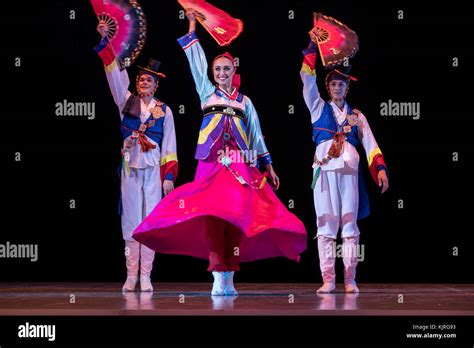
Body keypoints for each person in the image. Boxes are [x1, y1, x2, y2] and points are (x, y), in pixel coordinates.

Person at [133, 10, 307, 296]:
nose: (222, 74)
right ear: (212, 74)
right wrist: (191, 25)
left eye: (226, 69)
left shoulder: (245, 102)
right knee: (213, 217)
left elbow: (256, 134)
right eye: (217, 70)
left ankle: (229, 277)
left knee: (236, 218)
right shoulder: (206, 94)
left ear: (234, 71)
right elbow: (196, 61)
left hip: (239, 164)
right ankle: (217, 276)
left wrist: (269, 166)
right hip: (211, 164)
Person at [300, 30, 389, 293]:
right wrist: (311, 45)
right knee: (325, 222)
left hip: (349, 171)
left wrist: (380, 170)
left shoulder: (357, 117)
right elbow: (307, 78)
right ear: (327, 88)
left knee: (350, 224)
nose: (337, 88)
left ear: (347, 88)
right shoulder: (318, 108)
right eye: (333, 85)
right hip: (325, 171)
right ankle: (328, 279)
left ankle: (350, 279)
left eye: (342, 85)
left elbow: (371, 144)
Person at [94, 21, 178, 292]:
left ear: (155, 86)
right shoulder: (126, 102)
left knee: (150, 220)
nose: (143, 82)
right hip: (130, 167)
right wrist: (107, 41)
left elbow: (170, 146)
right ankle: (131, 275)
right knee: (130, 220)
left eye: (148, 80)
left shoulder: (163, 110)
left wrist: (168, 178)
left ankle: (147, 275)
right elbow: (116, 76)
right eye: (141, 79)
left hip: (153, 169)